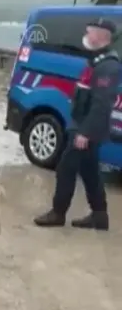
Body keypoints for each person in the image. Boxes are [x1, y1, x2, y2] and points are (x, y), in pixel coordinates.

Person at [34, 18, 121, 231]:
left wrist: (85, 133)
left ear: (101, 36)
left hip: (86, 130)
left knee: (65, 168)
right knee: (90, 171)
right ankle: (100, 216)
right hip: (83, 125)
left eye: (89, 31)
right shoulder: (97, 60)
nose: (85, 35)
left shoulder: (108, 66)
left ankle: (58, 213)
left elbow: (102, 104)